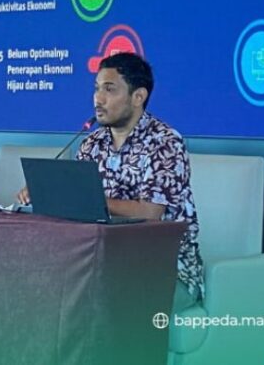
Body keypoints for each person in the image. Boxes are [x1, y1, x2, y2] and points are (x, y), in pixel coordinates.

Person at [18, 52, 204, 313]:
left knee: (99, 304)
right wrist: (48, 192)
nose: (98, 98)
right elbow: (75, 204)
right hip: (99, 265)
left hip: (163, 270)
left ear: (138, 97)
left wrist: (89, 199)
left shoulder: (165, 142)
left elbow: (150, 212)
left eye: (109, 89)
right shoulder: (92, 143)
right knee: (38, 287)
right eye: (96, 88)